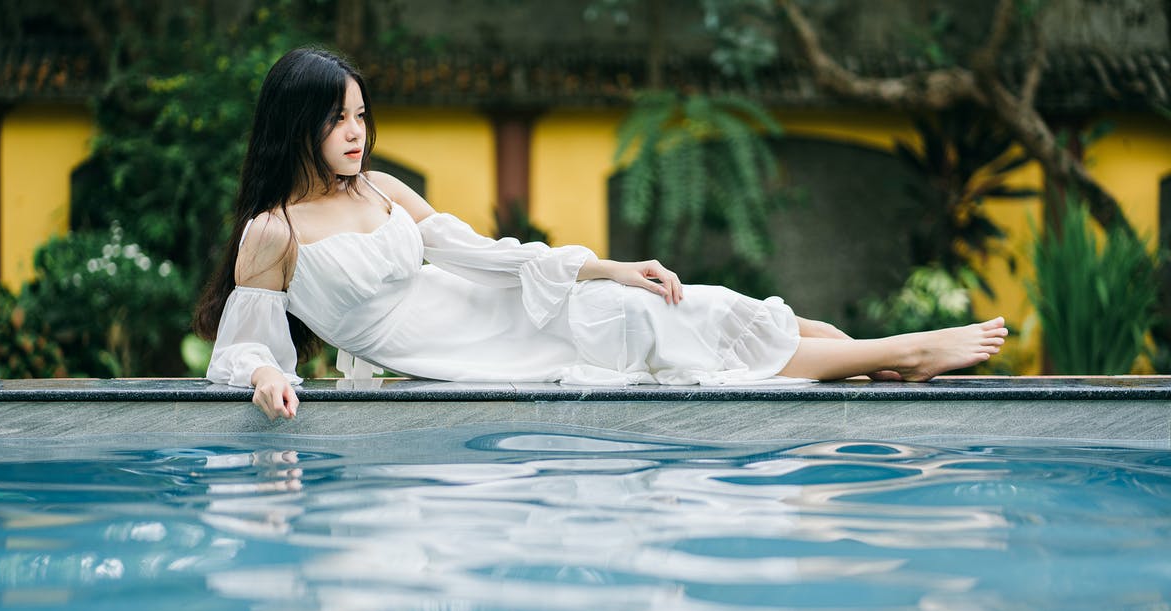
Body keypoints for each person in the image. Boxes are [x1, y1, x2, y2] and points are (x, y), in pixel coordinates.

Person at [194, 47, 1008, 421]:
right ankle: (905, 351)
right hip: (472, 355)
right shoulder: (272, 233)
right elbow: (243, 346)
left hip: (502, 312)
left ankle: (870, 363)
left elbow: (486, 252)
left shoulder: (378, 187)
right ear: (296, 124)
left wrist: (608, 266)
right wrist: (266, 377)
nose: (355, 131)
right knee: (663, 326)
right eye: (338, 117)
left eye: (362, 114)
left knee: (704, 305)